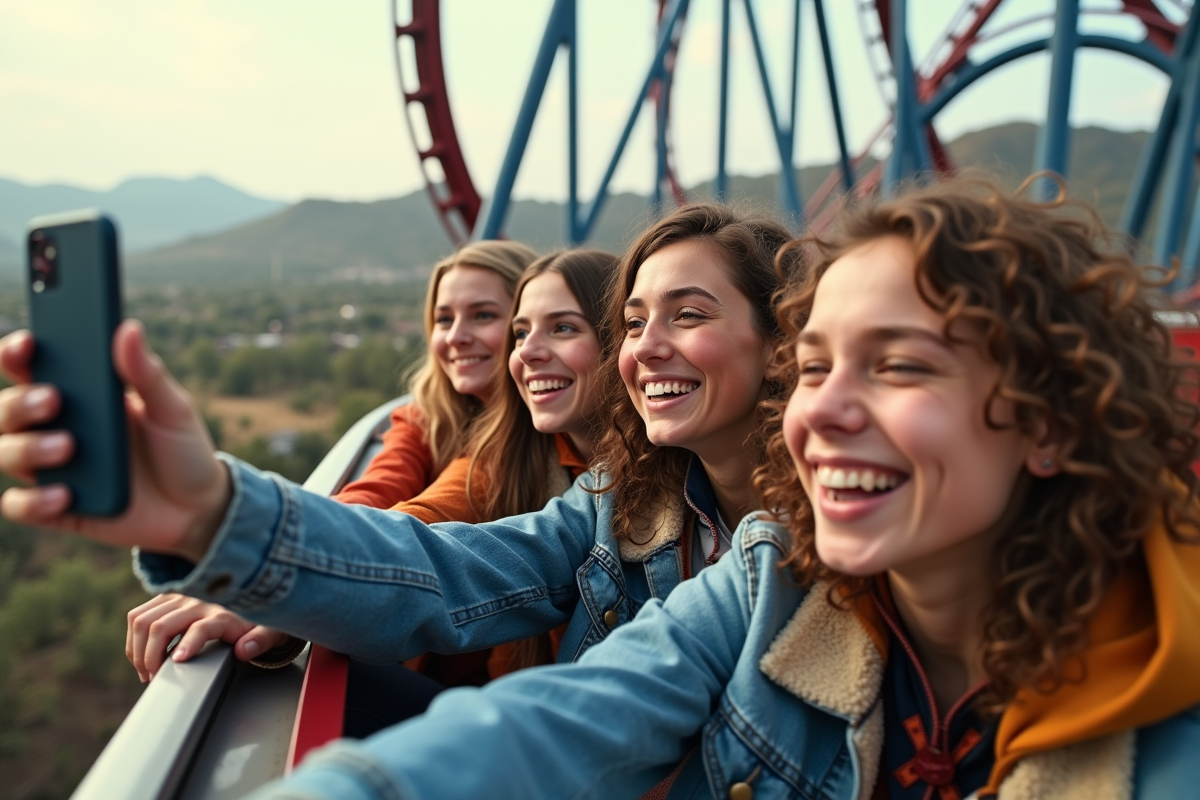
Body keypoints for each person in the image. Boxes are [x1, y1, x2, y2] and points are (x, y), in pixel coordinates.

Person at [177, 175, 1200, 800]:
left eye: (897, 364)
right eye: (823, 364)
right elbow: (553, 701)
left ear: (1055, 418)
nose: (826, 408)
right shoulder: (768, 569)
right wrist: (204, 511)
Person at [0, 201, 794, 672]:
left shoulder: (847, 533)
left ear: (781, 340)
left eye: (687, 315)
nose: (645, 345)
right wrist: (211, 517)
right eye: (631, 322)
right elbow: (441, 562)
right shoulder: (611, 508)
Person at [124, 239, 536, 681]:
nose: (456, 336)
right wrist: (270, 575)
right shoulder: (425, 418)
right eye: (443, 318)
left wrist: (282, 575)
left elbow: (435, 511)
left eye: (483, 315)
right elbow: (375, 490)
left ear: (525, 327)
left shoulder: (531, 442)